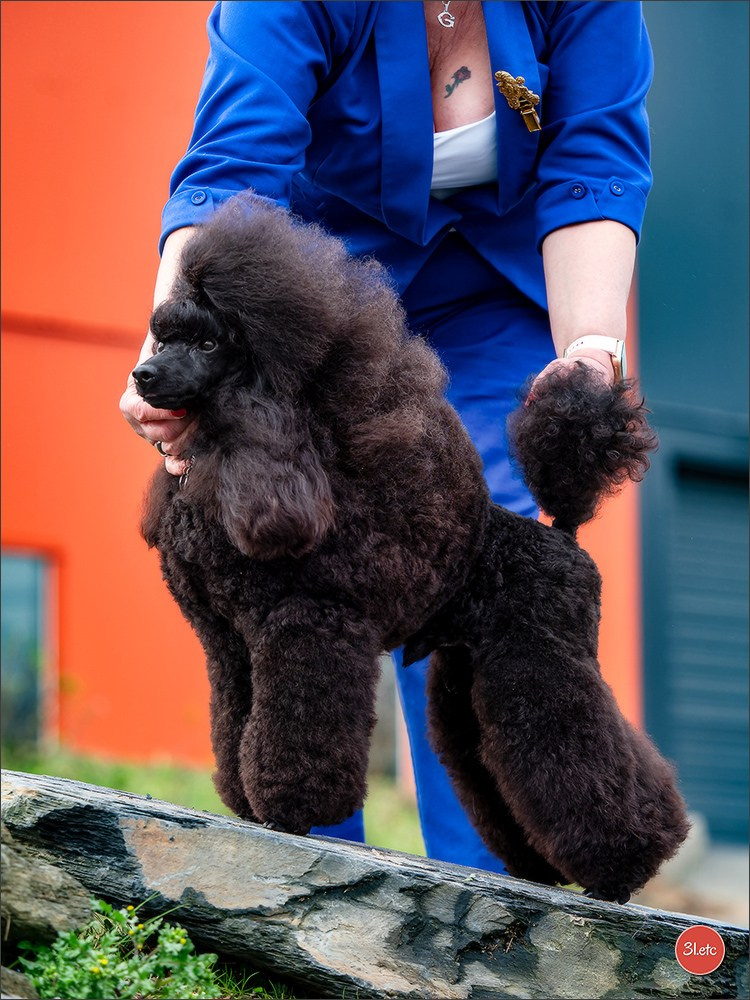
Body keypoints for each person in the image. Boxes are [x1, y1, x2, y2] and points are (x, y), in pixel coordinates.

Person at [120, 0, 653, 872]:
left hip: (495, 295)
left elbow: (594, 164)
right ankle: (304, 872)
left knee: (484, 549)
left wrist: (591, 349)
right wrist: (175, 344)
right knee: (290, 560)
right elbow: (232, 168)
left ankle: (493, 897)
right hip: (318, 305)